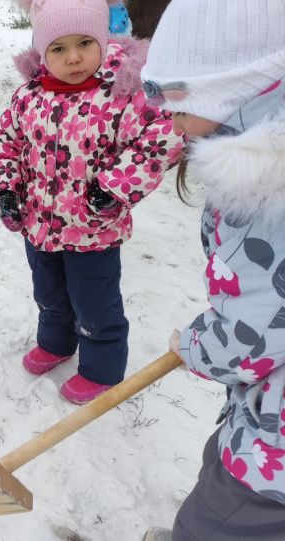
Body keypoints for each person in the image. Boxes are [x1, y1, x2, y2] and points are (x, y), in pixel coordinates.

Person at [138, 0, 285, 539]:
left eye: (177, 103)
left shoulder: (264, 187)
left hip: (276, 457)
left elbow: (252, 335)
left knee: (213, 521)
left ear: (233, 90)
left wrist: (195, 346)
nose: (167, 119)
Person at [0, 0, 183, 404]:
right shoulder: (29, 97)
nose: (73, 57)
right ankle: (57, 343)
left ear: (103, 40)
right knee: (50, 297)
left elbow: (161, 141)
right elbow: (5, 144)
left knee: (95, 306)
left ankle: (102, 370)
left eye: (84, 43)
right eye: (58, 48)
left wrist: (113, 189)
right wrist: (5, 190)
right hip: (38, 226)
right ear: (42, 53)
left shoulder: (123, 96)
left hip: (94, 230)